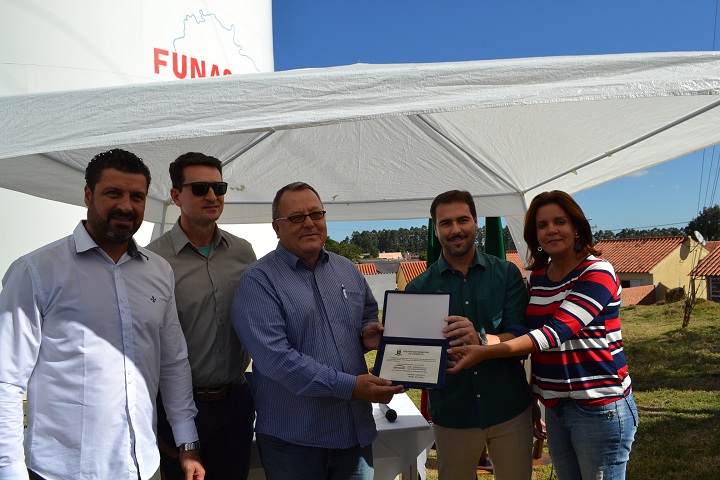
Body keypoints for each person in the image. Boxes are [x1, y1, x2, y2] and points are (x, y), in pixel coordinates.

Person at [0, 149, 204, 480]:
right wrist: (9, 470)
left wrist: (186, 441)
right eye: (113, 193)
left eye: (137, 196)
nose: (126, 205)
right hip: (65, 472)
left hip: (143, 466)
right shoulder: (36, 271)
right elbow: (5, 381)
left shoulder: (159, 271)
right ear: (87, 195)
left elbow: (173, 361)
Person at [448, 190, 639, 480]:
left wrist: (483, 350)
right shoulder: (538, 277)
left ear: (576, 228)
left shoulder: (597, 272)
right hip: (556, 405)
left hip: (599, 407)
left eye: (559, 222)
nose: (551, 230)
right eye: (541, 225)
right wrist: (535, 398)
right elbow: (531, 341)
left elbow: (553, 334)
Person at [229, 182, 404, 480]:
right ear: (276, 227)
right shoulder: (258, 281)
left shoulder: (348, 269)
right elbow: (277, 360)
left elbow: (365, 317)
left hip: (353, 434)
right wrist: (350, 387)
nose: (309, 223)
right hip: (295, 441)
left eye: (316, 214)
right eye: (296, 217)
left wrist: (365, 335)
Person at [405, 190, 533, 480]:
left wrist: (482, 340)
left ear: (476, 222)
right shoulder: (418, 288)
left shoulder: (507, 274)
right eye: (446, 223)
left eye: (463, 220)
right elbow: (413, 354)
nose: (456, 229)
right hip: (453, 414)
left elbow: (520, 336)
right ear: (436, 229)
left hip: (508, 408)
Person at [146, 152, 257, 479]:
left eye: (219, 187)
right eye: (200, 188)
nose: (212, 196)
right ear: (177, 196)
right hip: (176, 408)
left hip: (236, 401)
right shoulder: (153, 261)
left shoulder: (243, 252)